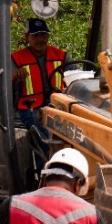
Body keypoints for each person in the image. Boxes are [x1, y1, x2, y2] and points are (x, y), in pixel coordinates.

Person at [12, 17, 67, 158]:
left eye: (43, 35)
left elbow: (76, 73)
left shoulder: (60, 55)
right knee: (43, 130)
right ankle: (47, 166)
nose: (40, 39)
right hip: (29, 108)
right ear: (27, 37)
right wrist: (15, 75)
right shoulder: (16, 58)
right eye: (36, 35)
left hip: (57, 106)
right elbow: (6, 78)